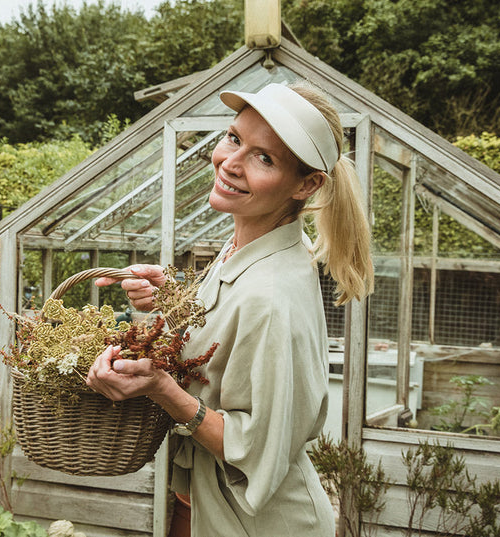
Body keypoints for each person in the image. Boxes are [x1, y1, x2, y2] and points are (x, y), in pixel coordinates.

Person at [87, 81, 373, 536]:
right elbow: (225, 336)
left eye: (265, 158)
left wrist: (162, 388)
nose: (230, 162)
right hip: (210, 510)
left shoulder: (274, 298)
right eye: (235, 138)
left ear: (307, 184)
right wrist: (177, 297)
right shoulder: (248, 244)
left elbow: (259, 450)